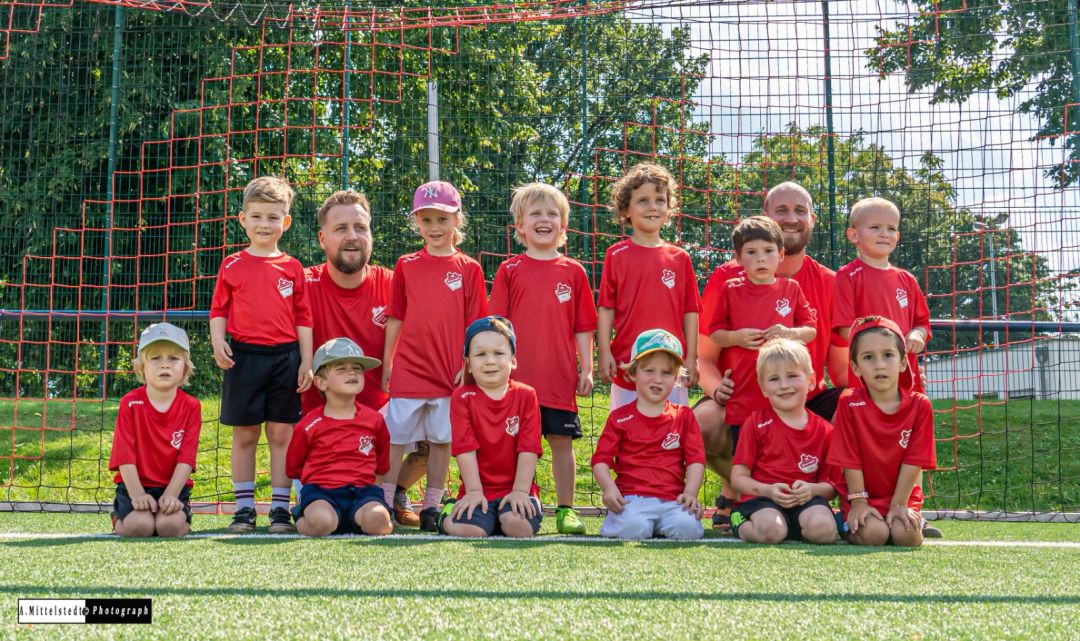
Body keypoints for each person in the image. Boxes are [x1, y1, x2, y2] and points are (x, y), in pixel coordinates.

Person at [696, 182, 847, 533]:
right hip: (746, 393)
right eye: (781, 211)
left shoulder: (830, 281)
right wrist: (717, 388)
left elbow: (841, 367)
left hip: (805, 398)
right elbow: (704, 358)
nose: (791, 218)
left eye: (799, 210)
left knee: (857, 407)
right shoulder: (727, 278)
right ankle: (739, 491)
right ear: (766, 218)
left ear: (813, 218)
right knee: (702, 423)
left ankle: (851, 501)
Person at [303, 188, 426, 527]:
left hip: (383, 417)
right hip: (319, 428)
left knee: (445, 408)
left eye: (360, 227)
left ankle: (396, 489)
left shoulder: (394, 284)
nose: (352, 236)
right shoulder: (301, 284)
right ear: (322, 238)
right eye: (341, 228)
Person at [488, 183, 597, 535]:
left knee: (562, 444)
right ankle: (517, 499)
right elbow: (497, 327)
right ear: (520, 226)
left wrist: (587, 368)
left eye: (552, 213)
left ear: (563, 226)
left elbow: (584, 327)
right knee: (516, 444)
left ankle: (566, 509)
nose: (544, 219)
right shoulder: (509, 270)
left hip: (558, 378)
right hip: (516, 383)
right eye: (535, 213)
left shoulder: (574, 272)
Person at [381, 180, 487, 531]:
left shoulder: (469, 268)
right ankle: (381, 501)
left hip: (448, 371)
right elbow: (395, 317)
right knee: (395, 436)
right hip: (410, 368)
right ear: (417, 224)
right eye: (426, 220)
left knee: (442, 439)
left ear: (457, 219)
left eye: (442, 219)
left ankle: (432, 505)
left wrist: (467, 364)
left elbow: (477, 325)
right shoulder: (406, 265)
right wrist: (389, 362)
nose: (434, 227)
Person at [209, 176, 313, 534]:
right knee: (245, 434)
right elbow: (218, 309)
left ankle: (281, 511)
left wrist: (307, 361)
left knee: (282, 434)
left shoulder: (293, 267)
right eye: (256, 217)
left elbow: (304, 318)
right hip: (244, 357)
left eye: (272, 217)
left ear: (285, 222)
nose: (264, 224)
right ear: (243, 220)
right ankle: (244, 509)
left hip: (286, 358)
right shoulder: (232, 264)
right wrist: (218, 341)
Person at [597, 162, 701, 410]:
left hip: (671, 365)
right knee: (625, 435)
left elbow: (691, 310)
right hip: (627, 363)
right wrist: (604, 351)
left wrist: (692, 357)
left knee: (673, 435)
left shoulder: (680, 257)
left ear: (669, 207)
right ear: (626, 210)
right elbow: (606, 308)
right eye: (643, 200)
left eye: (660, 200)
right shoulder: (616, 255)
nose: (653, 206)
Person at [828, 316, 937, 547]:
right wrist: (858, 502)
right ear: (856, 367)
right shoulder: (848, 402)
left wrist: (899, 505)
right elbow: (850, 458)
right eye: (868, 357)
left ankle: (914, 519)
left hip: (902, 496)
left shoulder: (920, 404)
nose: (879, 365)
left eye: (888, 355)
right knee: (873, 535)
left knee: (906, 537)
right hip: (861, 495)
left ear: (903, 362)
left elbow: (914, 460)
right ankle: (842, 520)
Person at [591, 329, 706, 540]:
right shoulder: (619, 418)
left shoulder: (684, 416)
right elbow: (600, 460)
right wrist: (609, 489)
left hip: (673, 500)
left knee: (687, 529)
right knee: (634, 528)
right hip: (633, 499)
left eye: (666, 373)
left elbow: (696, 460)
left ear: (676, 378)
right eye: (649, 370)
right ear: (633, 373)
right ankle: (632, 522)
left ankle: (663, 523)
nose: (658, 379)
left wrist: (690, 493)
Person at [439, 317, 543, 538]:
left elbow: (529, 448)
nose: (489, 361)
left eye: (498, 353)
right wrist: (474, 492)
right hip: (477, 489)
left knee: (518, 528)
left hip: (517, 487)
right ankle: (446, 516)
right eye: (480, 354)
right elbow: (464, 449)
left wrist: (521, 492)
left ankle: (499, 518)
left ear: (513, 360)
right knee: (471, 531)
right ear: (467, 363)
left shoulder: (526, 395)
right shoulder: (462, 397)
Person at [729, 339, 838, 544]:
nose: (784, 385)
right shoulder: (755, 424)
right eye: (774, 379)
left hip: (807, 501)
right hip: (763, 500)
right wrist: (767, 490)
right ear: (763, 388)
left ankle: (796, 526)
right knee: (771, 531)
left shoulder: (825, 430)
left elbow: (831, 487)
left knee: (823, 531)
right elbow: (738, 479)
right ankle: (739, 521)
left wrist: (811, 490)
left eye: (792, 376)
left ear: (811, 380)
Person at [286, 338, 393, 537]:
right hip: (321, 493)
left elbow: (381, 466)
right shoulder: (309, 424)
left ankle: (360, 518)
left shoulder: (375, 420)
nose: (352, 372)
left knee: (379, 522)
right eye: (341, 368)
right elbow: (293, 466)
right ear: (320, 382)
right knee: (321, 523)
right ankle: (302, 516)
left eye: (357, 368)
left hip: (364, 494)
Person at [109, 322, 201, 538]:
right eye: (155, 358)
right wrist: (138, 494)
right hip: (134, 486)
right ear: (141, 367)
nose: (164, 365)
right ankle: (119, 519)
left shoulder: (191, 406)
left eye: (173, 358)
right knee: (140, 527)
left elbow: (187, 458)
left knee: (170, 527)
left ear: (185, 367)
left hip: (173, 487)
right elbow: (125, 455)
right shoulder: (130, 403)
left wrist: (171, 494)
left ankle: (181, 515)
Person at [833, 196, 931, 393]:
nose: (884, 234)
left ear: (898, 236)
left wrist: (916, 335)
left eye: (891, 228)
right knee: (867, 421)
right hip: (867, 374)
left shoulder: (907, 279)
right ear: (854, 235)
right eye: (875, 227)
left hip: (905, 373)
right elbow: (844, 328)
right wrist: (881, 349)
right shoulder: (847, 276)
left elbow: (922, 324)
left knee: (911, 420)